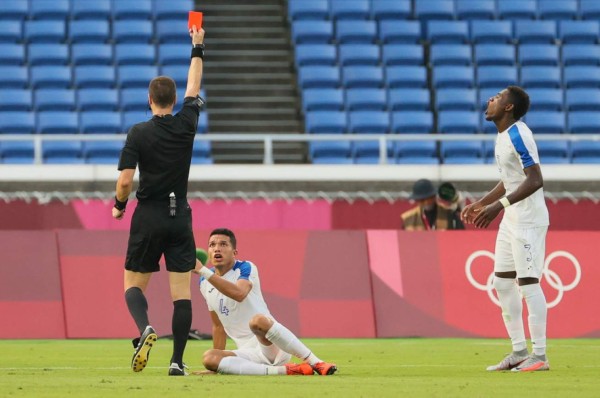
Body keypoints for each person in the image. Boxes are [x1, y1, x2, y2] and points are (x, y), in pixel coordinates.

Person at [111, 25, 206, 376]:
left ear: (150, 100)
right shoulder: (187, 124)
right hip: (180, 214)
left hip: (148, 215)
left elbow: (124, 182)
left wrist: (120, 206)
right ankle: (178, 362)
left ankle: (145, 329)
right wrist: (198, 45)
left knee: (133, 285)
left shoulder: (138, 132)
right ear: (174, 98)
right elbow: (195, 84)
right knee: (182, 294)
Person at [461, 86, 550, 372]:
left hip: (528, 220)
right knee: (501, 282)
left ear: (509, 108)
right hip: (511, 218)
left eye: (497, 98)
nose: (490, 99)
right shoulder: (501, 137)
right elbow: (510, 180)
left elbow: (535, 179)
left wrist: (496, 207)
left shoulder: (519, 134)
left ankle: (540, 355)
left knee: (528, 284)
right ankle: (518, 351)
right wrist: (482, 203)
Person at [193, 228, 337, 376]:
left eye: (223, 244)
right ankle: (286, 370)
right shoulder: (204, 282)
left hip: (271, 344)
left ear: (234, 252)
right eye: (212, 245)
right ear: (209, 253)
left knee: (257, 321)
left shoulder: (245, 267)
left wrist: (203, 270)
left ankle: (316, 362)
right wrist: (217, 366)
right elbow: (218, 326)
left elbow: (239, 293)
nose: (217, 248)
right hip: (248, 353)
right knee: (209, 358)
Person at [400, 179, 465, 230]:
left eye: (428, 198)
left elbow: (460, 235)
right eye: (422, 200)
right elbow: (403, 241)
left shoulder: (449, 214)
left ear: (434, 196)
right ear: (417, 200)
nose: (426, 202)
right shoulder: (408, 218)